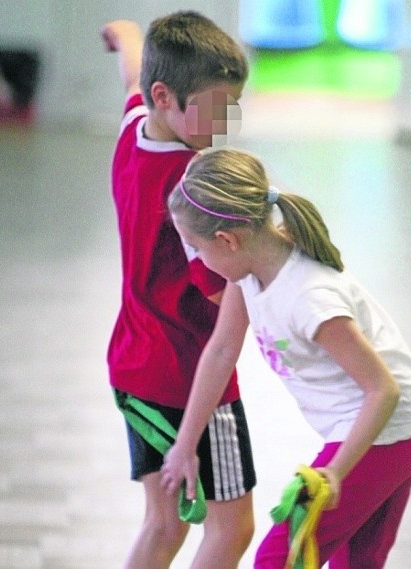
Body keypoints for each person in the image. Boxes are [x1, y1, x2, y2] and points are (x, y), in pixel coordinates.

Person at [160, 147, 411, 568]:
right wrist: (186, 444)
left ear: (227, 239)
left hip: (392, 429)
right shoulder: (248, 272)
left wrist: (336, 471)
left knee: (281, 558)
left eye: (196, 248)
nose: (198, 260)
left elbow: (382, 389)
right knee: (359, 559)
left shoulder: (309, 298)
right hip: (389, 425)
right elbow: (221, 351)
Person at [100, 13, 255, 569]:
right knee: (233, 528)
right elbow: (225, 300)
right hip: (191, 381)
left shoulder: (134, 125)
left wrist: (126, 33)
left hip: (136, 366)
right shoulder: (194, 190)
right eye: (215, 108)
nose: (226, 122)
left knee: (164, 523)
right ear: (166, 97)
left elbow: (133, 74)